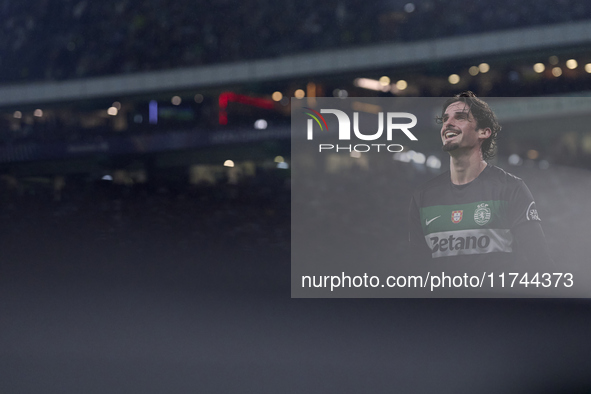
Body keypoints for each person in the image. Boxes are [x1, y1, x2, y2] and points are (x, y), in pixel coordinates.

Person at [408, 91, 554, 270]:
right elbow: (415, 272)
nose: (448, 123)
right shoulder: (424, 196)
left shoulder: (510, 188)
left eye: (460, 117)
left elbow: (543, 268)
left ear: (483, 132)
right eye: (445, 119)